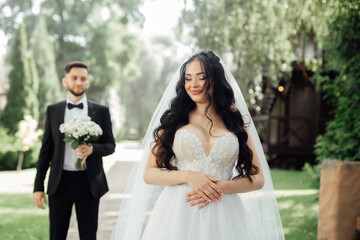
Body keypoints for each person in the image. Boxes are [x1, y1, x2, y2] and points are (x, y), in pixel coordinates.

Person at [111, 49, 284, 240]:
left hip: (226, 214)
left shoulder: (235, 122)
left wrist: (221, 187)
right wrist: (188, 176)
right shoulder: (173, 120)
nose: (193, 84)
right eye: (188, 78)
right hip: (179, 212)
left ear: (215, 79)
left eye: (201, 77)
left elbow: (258, 179)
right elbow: (149, 173)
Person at [33, 61, 115, 240]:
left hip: (89, 183)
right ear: (65, 81)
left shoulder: (101, 111)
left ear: (88, 82)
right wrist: (38, 186)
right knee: (56, 235)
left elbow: (110, 145)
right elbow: (46, 149)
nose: (79, 82)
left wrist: (93, 149)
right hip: (60, 182)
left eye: (83, 78)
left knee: (88, 235)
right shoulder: (53, 110)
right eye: (74, 78)